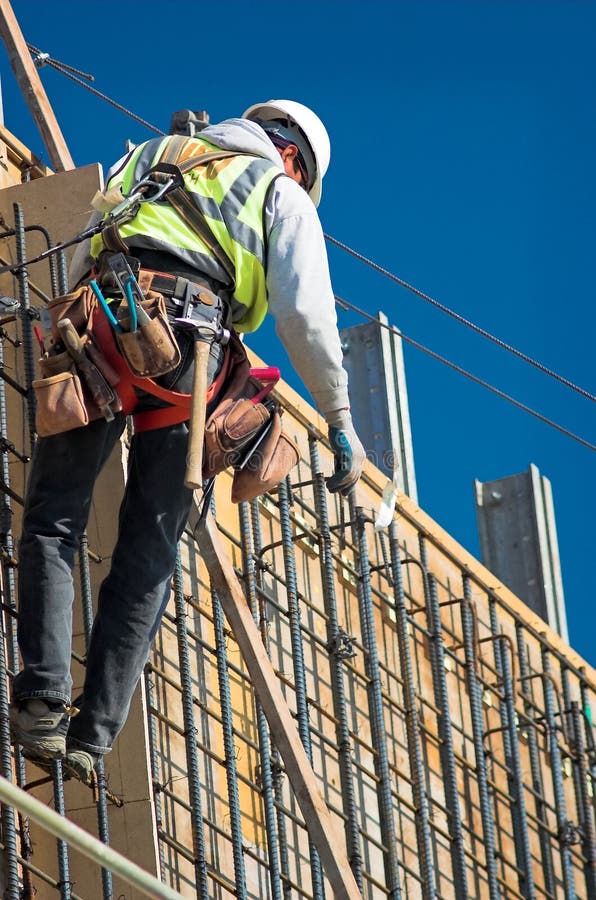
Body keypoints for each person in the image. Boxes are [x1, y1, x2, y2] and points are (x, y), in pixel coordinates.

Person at [9, 100, 366, 780]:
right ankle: (92, 734)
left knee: (56, 517)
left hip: (105, 323)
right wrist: (340, 417)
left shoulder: (150, 156)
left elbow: (88, 245)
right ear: (294, 158)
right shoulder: (278, 192)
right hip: (190, 353)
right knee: (148, 548)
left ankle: (42, 702)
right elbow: (305, 312)